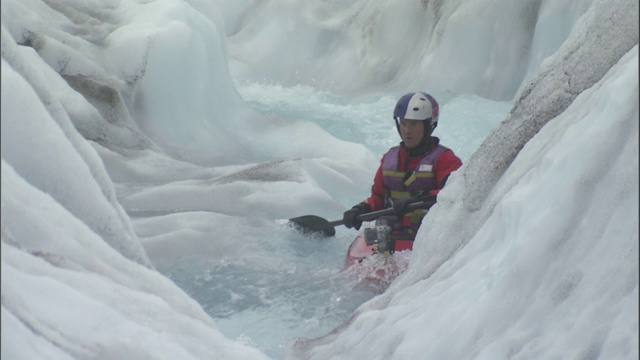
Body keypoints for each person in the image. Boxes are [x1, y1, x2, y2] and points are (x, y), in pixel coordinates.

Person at [342, 92, 462, 245]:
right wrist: (360, 209)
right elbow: (379, 198)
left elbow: (455, 194)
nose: (407, 131)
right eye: (404, 123)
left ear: (428, 125)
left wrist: (419, 199)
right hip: (390, 236)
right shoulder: (389, 159)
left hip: (424, 241)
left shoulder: (446, 160)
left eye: (414, 124)